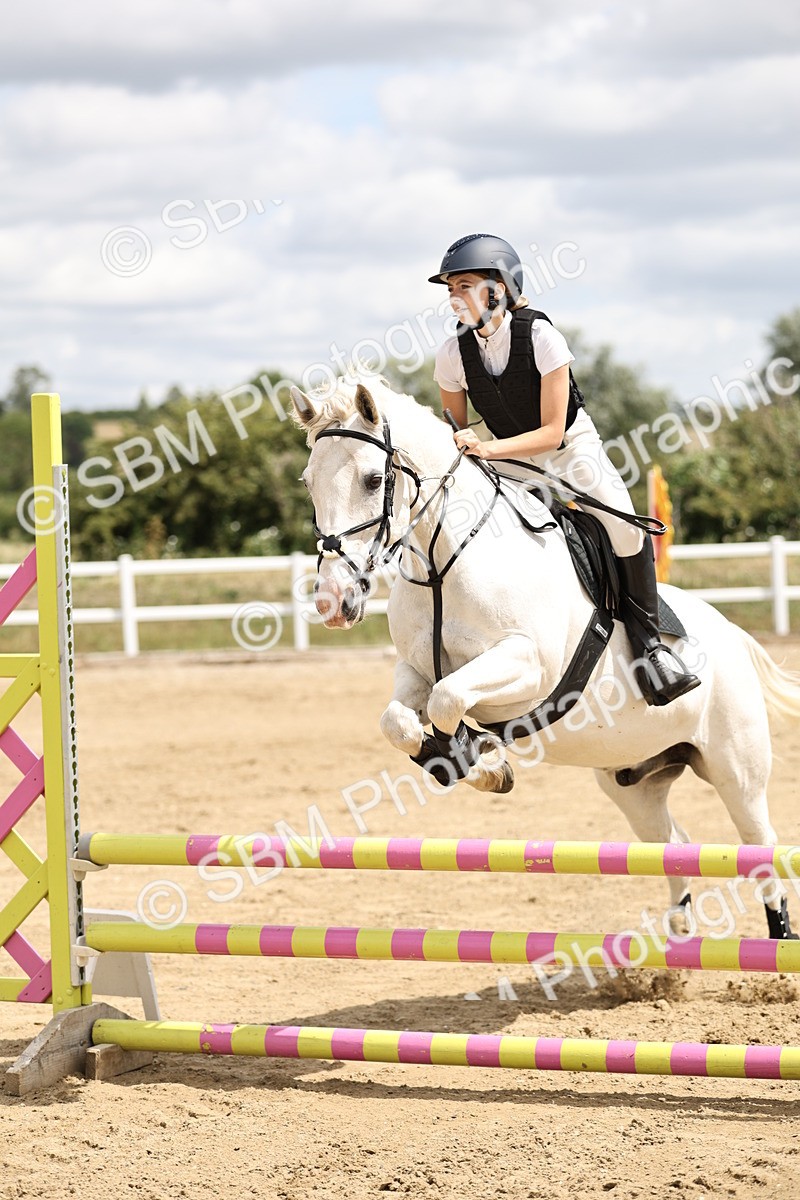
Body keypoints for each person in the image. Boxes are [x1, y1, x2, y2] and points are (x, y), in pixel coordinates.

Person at [428, 232, 699, 707]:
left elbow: (552, 432)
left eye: (464, 285)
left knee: (623, 524)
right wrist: (467, 447)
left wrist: (487, 450)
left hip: (570, 449)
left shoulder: (540, 335)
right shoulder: (453, 353)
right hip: (510, 459)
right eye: (451, 289)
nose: (454, 298)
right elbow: (455, 424)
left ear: (499, 288)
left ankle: (650, 642)